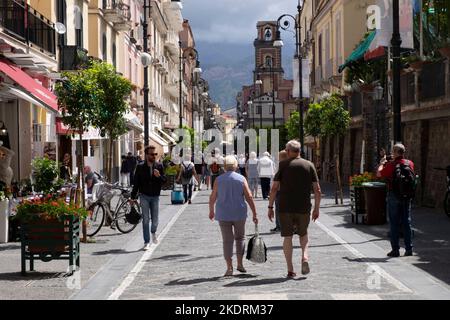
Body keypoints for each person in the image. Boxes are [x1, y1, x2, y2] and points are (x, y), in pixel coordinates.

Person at [268, 140, 321, 278]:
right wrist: (316, 209)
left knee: (288, 237)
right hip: (303, 206)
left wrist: (270, 206)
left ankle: (290, 269)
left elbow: (274, 188)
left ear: (290, 151)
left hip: (285, 207)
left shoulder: (283, 165)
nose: (285, 152)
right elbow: (318, 190)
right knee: (303, 234)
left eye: (286, 150)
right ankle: (304, 257)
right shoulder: (309, 165)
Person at [209, 155, 258, 277]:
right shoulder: (241, 179)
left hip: (223, 213)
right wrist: (254, 213)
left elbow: (213, 197)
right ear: (236, 166)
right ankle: (240, 264)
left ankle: (229, 267)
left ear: (224, 167)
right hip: (239, 213)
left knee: (227, 241)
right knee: (240, 238)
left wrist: (211, 210)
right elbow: (249, 196)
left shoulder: (219, 180)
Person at [377, 143, 415, 257]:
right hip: (407, 196)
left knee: (394, 223)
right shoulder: (410, 163)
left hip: (394, 195)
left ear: (395, 152)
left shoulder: (391, 165)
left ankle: (395, 250)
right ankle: (409, 249)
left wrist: (382, 163)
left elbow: (379, 174)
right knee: (406, 222)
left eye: (392, 152)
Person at [131, 146, 167, 250]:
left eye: (155, 154)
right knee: (146, 219)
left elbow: (165, 181)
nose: (154, 156)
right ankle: (146, 242)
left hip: (155, 196)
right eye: (152, 154)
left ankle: (153, 232)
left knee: (155, 220)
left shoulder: (159, 166)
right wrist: (133, 198)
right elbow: (136, 183)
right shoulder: (140, 167)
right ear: (146, 155)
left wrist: (159, 176)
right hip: (144, 196)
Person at [271, 150, 288, 233]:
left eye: (278, 157)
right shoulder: (288, 166)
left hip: (280, 191)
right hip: (286, 191)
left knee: (279, 209)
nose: (277, 158)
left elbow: (277, 182)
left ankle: (280, 226)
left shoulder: (282, 167)